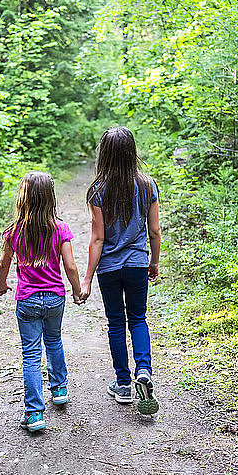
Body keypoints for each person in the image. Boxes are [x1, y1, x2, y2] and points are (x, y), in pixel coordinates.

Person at [80, 127, 161, 415]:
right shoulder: (148, 185)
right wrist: (154, 261)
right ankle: (144, 370)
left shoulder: (98, 190)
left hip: (110, 268)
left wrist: (86, 279)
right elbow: (154, 230)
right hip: (138, 263)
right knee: (138, 318)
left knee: (116, 322)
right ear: (132, 152)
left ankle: (123, 384)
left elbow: (98, 238)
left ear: (105, 153)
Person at [0, 171, 82, 432]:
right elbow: (70, 266)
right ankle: (59, 390)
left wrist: (2, 285)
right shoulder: (60, 228)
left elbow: (3, 264)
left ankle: (34, 414)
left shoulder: (13, 232)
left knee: (31, 354)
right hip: (55, 298)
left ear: (23, 197)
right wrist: (77, 291)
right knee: (54, 341)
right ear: (50, 198)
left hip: (28, 300)